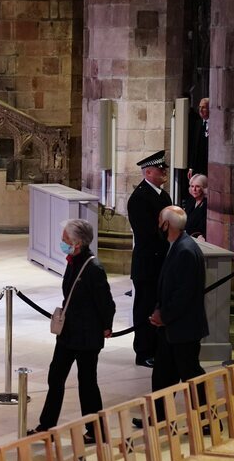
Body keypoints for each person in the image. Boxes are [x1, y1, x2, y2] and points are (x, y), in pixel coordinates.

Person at [27, 219, 114, 443]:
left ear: (77, 243)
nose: (62, 243)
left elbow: (106, 302)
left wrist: (107, 326)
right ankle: (46, 427)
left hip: (87, 336)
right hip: (68, 333)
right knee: (55, 377)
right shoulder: (73, 261)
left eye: (65, 240)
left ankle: (96, 430)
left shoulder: (93, 268)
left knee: (87, 383)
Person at [149, 206, 208, 399]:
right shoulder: (178, 246)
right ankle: (159, 418)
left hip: (184, 328)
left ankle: (207, 421)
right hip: (173, 328)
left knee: (191, 376)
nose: (158, 225)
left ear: (166, 224)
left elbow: (184, 293)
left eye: (160, 220)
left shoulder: (185, 250)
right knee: (162, 376)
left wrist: (164, 316)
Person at [126, 150, 173, 368]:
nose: (164, 172)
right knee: (145, 308)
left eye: (164, 169)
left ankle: (157, 348)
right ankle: (143, 352)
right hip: (147, 263)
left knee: (158, 306)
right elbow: (146, 233)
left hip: (162, 262)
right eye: (160, 169)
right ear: (148, 172)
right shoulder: (140, 198)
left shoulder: (162, 195)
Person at [187, 98, 210, 181]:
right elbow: (194, 146)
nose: (200, 110)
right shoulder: (197, 123)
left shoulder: (216, 124)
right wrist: (191, 167)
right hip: (198, 166)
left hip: (209, 165)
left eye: (203, 107)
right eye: (199, 107)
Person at [181, 174, 208, 240]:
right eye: (192, 186)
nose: (194, 189)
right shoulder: (191, 201)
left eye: (197, 186)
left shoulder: (207, 204)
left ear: (204, 188)